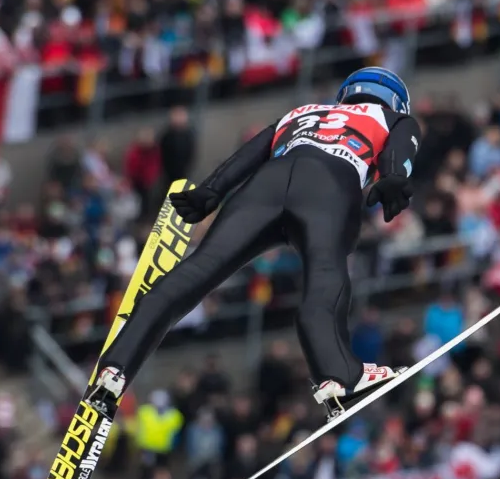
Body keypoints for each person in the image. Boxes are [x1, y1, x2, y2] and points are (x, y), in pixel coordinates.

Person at [91, 68, 419, 419]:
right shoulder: (394, 117)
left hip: (265, 185)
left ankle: (114, 369)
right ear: (396, 100)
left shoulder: (304, 111)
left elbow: (250, 153)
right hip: (329, 184)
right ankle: (337, 376)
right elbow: (399, 150)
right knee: (325, 274)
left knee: (199, 270)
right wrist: (397, 176)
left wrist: (212, 190)